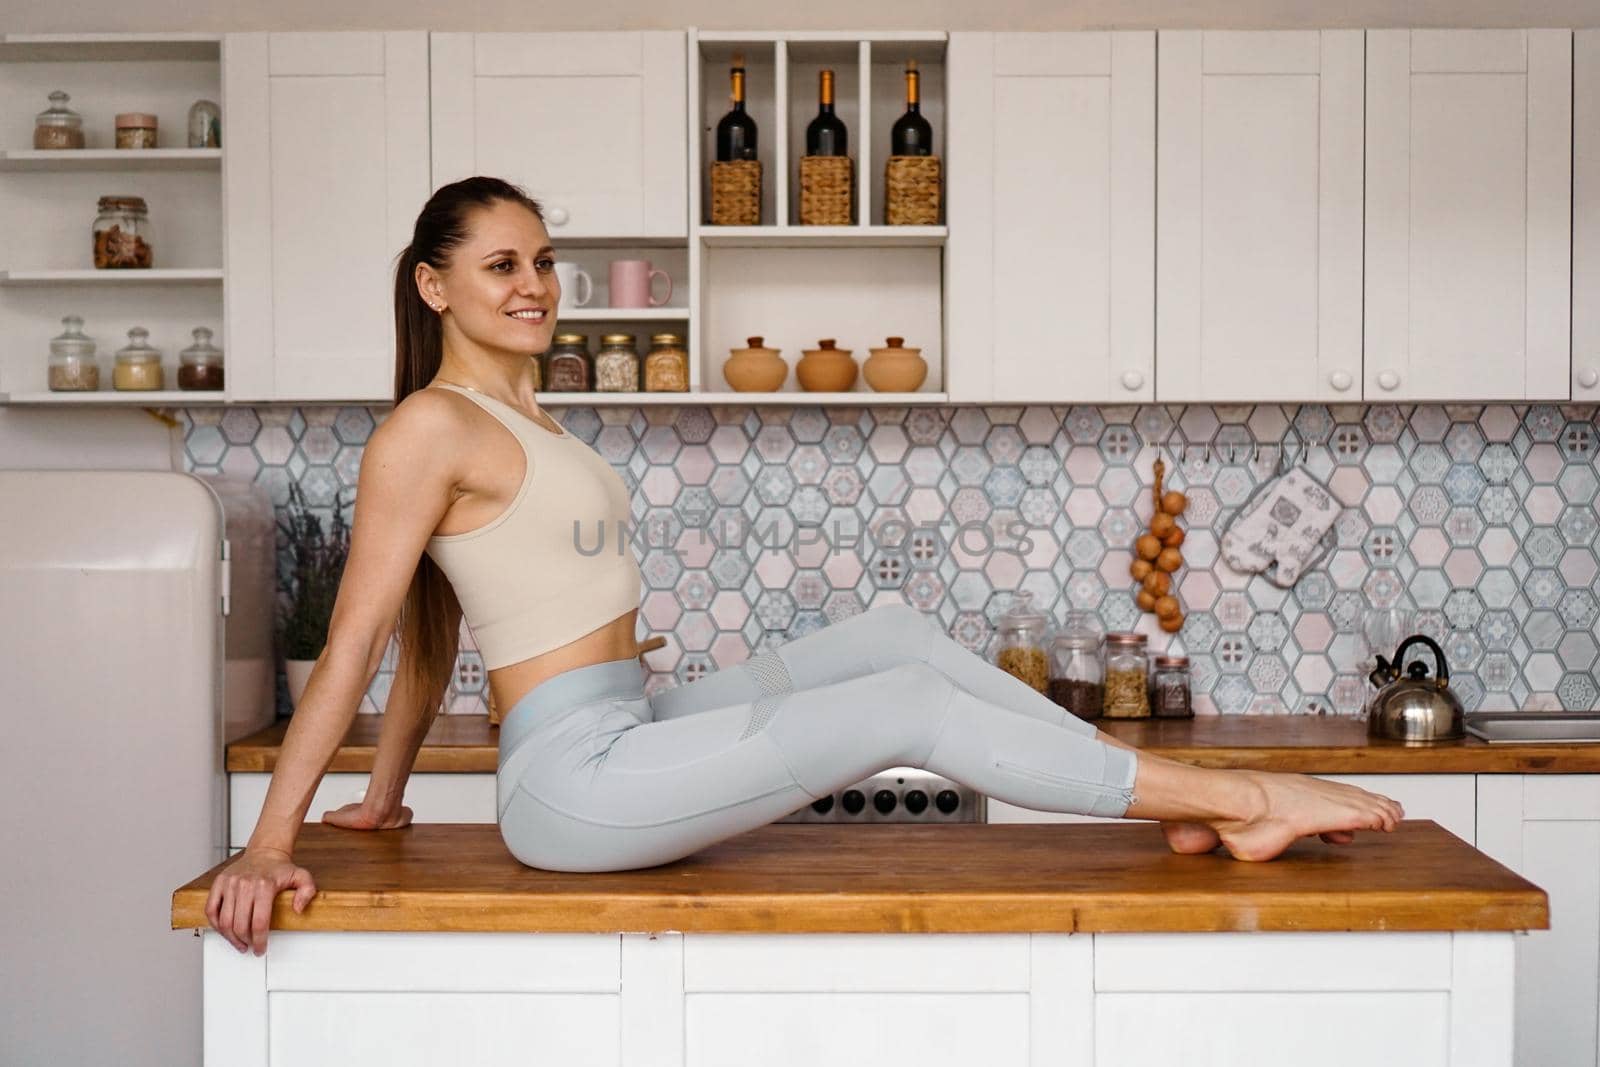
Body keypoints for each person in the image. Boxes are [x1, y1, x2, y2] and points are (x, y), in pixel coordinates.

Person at [206, 176, 1403, 956]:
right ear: (435, 285)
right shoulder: (429, 425)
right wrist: (276, 835)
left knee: (890, 636)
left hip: (629, 721)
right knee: (908, 707)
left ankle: (1163, 793)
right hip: (575, 779)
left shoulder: (535, 420)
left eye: (543, 261)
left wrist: (381, 795)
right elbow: (365, 634)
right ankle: (1243, 800)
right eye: (501, 266)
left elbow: (439, 625)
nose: (533, 287)